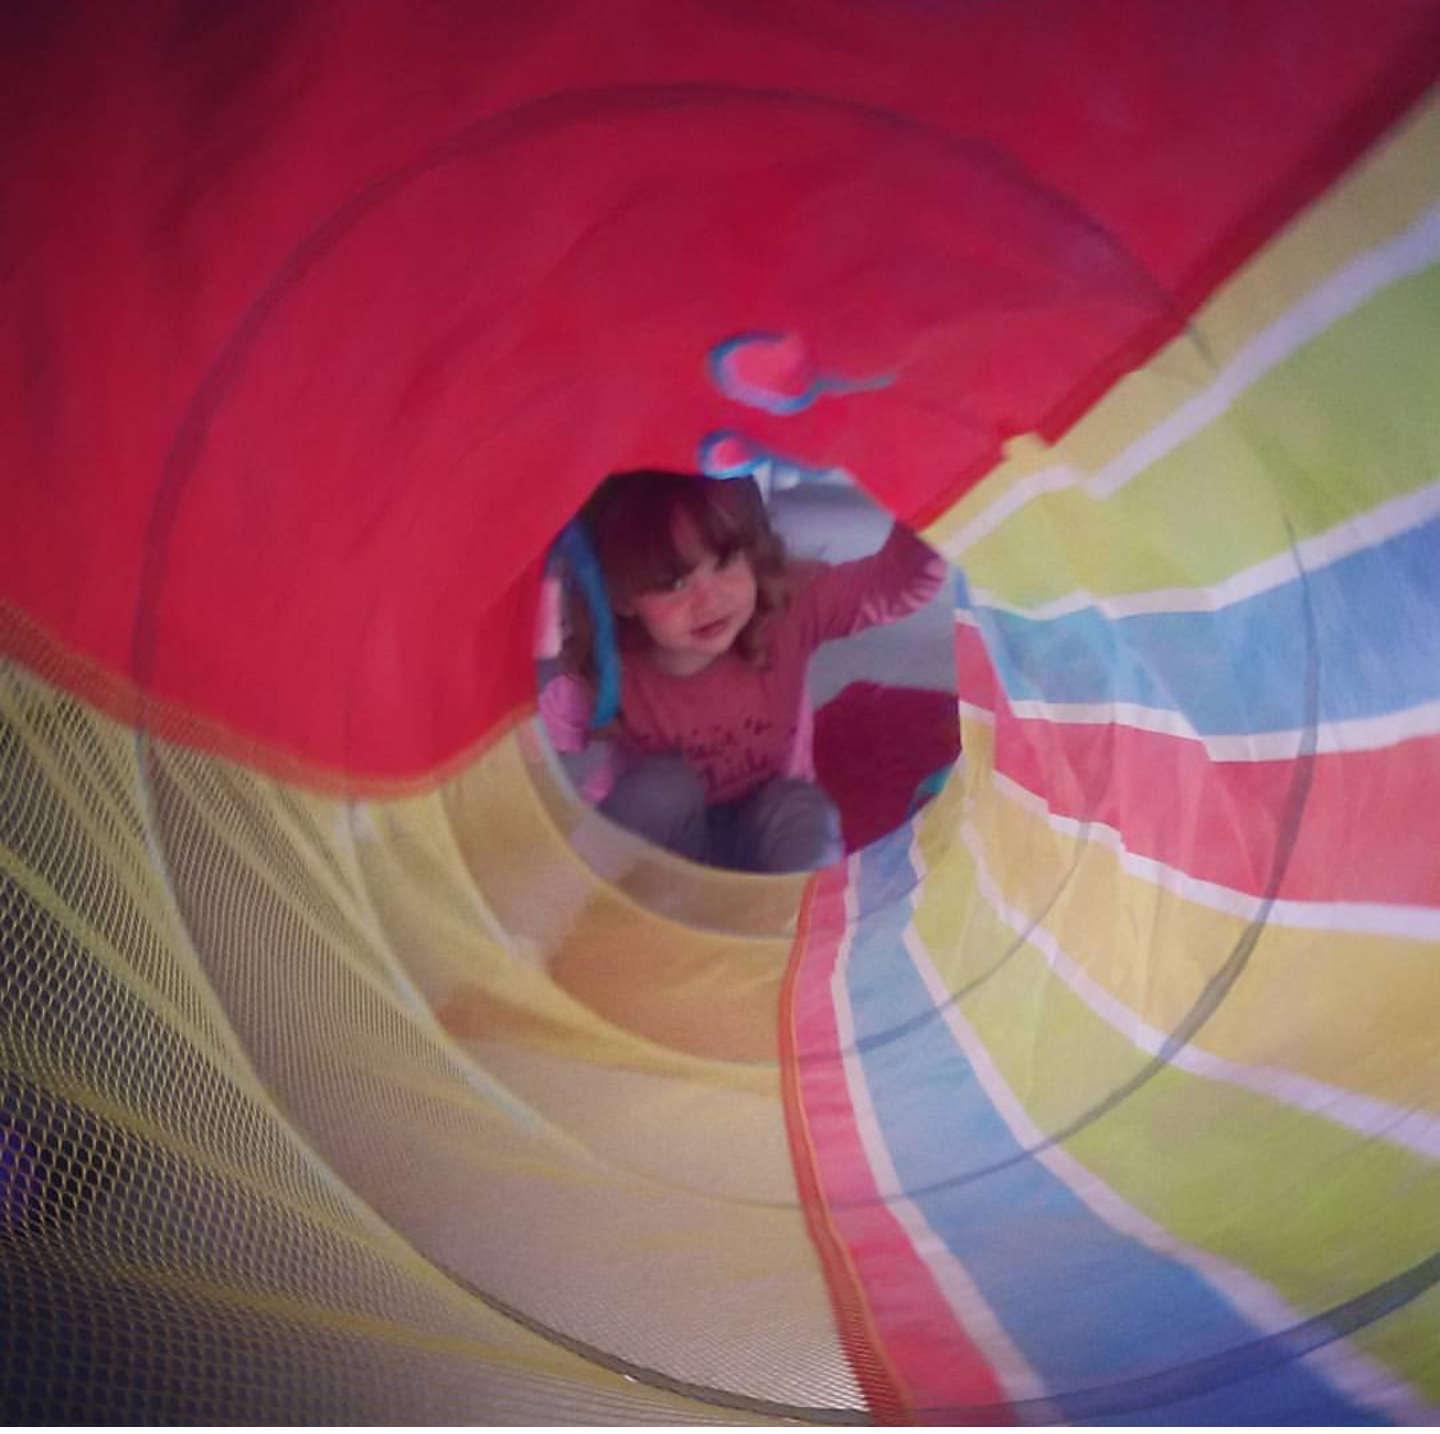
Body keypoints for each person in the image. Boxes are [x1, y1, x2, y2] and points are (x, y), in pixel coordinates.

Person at [539, 469, 948, 873]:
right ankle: (595, 895)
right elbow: (534, 749)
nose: (710, 600)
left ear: (752, 551)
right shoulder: (607, 666)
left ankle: (802, 908)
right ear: (621, 596)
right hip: (668, 855)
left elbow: (895, 586)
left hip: (767, 837)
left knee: (801, 807)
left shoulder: (788, 605)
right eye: (674, 583)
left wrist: (933, 494)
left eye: (726, 560)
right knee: (662, 787)